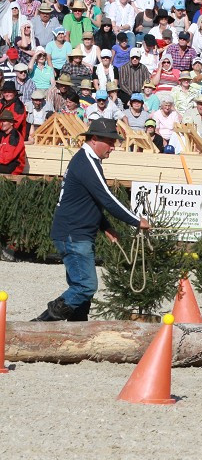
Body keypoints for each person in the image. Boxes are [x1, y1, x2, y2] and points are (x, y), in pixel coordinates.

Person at [33, 118, 151, 321]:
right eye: (110, 142)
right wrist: (137, 220)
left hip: (75, 233)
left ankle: (77, 332)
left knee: (80, 288)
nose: (113, 147)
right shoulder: (87, 162)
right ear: (95, 139)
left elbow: (91, 200)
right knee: (85, 286)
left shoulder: (86, 160)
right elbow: (107, 198)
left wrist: (105, 226)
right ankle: (40, 325)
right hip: (74, 234)